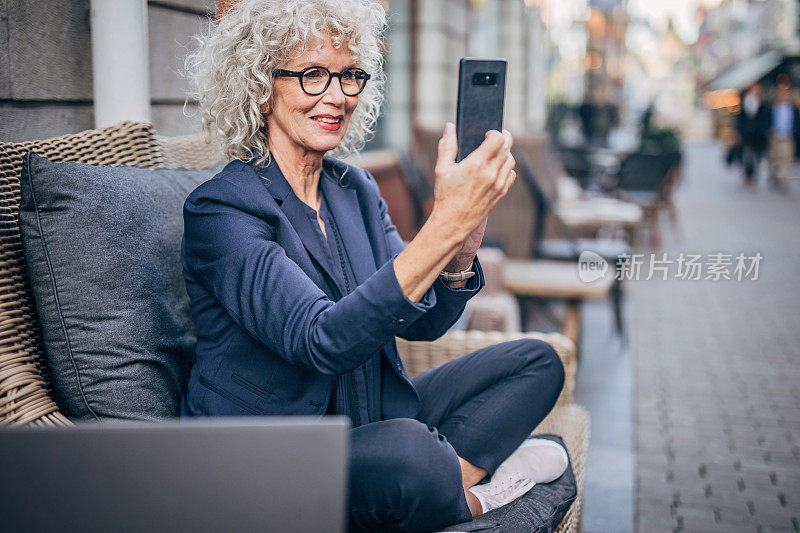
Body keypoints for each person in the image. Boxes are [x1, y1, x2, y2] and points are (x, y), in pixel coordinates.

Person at [180, 1, 566, 531]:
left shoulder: (353, 189)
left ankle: (444, 481)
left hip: (372, 415)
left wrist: (463, 243)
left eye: (350, 75)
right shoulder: (222, 210)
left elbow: (423, 319)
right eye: (313, 74)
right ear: (260, 82)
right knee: (412, 451)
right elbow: (321, 339)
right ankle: (477, 495)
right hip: (274, 454)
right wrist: (443, 225)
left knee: (537, 361)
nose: (337, 96)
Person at [767, 86, 800, 193]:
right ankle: (775, 175)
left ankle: (783, 179)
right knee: (774, 159)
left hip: (787, 137)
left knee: (786, 159)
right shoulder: (772, 108)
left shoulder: (793, 109)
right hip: (775, 137)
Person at [736, 84, 770, 186]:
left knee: (758, 156)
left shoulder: (763, 104)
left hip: (759, 136)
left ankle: (754, 173)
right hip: (747, 135)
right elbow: (740, 120)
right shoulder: (744, 103)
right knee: (748, 155)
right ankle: (749, 174)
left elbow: (765, 119)